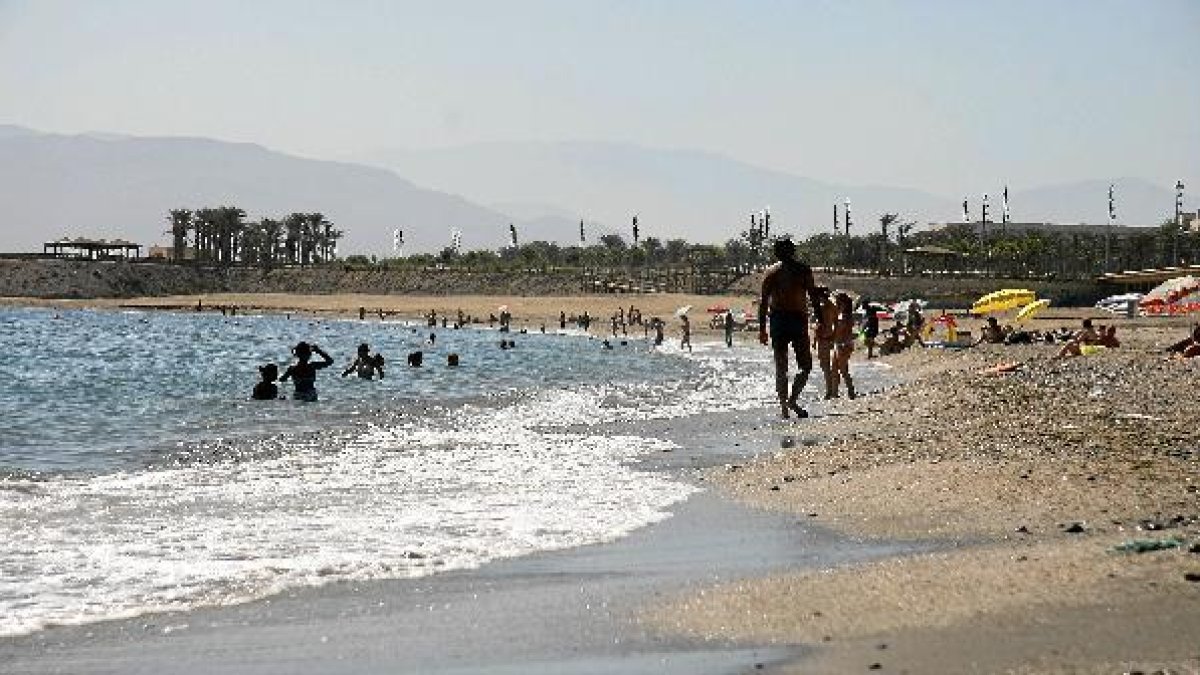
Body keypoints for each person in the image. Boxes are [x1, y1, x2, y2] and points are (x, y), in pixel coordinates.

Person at [758, 237, 821, 419]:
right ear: (793, 251)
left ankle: (785, 409)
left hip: (779, 321)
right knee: (805, 366)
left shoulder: (771, 272)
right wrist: (821, 319)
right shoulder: (803, 270)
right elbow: (813, 296)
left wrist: (762, 329)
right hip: (796, 319)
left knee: (781, 367)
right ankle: (791, 401)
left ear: (777, 253)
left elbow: (763, 303)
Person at [811, 287, 838, 399]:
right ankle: (834, 390)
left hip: (823, 338)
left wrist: (814, 340)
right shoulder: (832, 306)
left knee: (825, 366)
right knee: (833, 366)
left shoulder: (821, 308)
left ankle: (829, 391)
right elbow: (836, 322)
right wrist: (834, 336)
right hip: (831, 337)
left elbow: (818, 326)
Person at [831, 292, 857, 399]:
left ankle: (850, 391)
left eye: (837, 302)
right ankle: (835, 392)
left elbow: (840, 331)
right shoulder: (844, 315)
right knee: (836, 368)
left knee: (842, 369)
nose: (836, 304)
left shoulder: (844, 316)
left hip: (843, 345)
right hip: (841, 344)